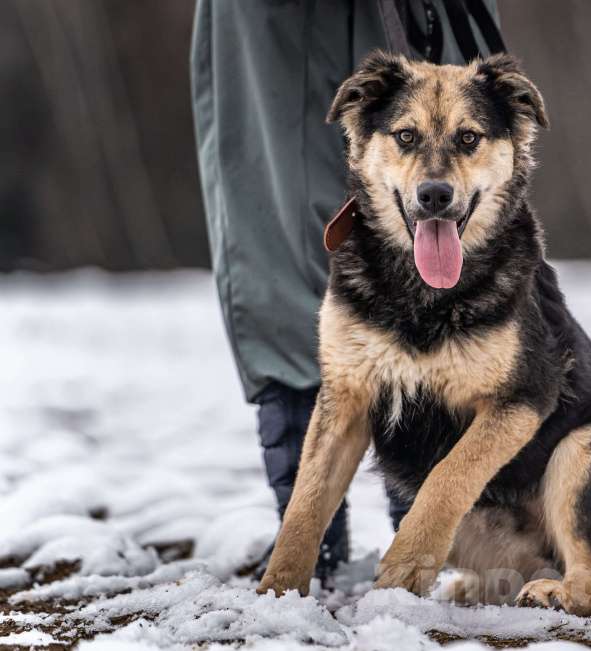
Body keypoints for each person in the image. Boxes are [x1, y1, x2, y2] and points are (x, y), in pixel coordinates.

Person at [190, 0, 504, 582]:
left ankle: (438, 537)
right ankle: (306, 536)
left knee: (458, 212)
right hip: (268, 25)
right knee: (273, 252)